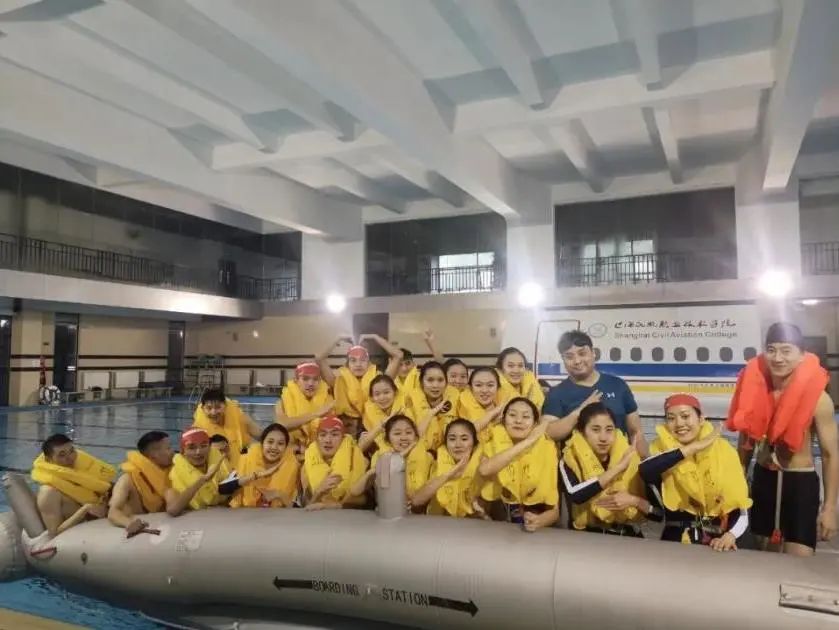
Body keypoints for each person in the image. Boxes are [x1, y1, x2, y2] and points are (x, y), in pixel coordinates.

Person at [727, 322, 838, 556]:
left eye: (786, 351)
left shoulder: (819, 400)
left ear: (802, 355)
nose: (778, 358)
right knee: (764, 559)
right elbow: (745, 447)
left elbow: (830, 456)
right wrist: (735, 488)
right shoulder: (754, 392)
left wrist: (829, 509)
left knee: (799, 560)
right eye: (771, 350)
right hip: (763, 480)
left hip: (799, 484)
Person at [640, 394, 751, 551]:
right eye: (671, 418)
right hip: (676, 540)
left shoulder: (725, 452)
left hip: (718, 542)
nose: (679, 423)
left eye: (685, 416)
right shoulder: (661, 452)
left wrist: (731, 535)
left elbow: (741, 507)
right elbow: (645, 470)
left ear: (701, 419)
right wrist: (693, 448)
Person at [543, 330, 648, 456]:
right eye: (569, 357)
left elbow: (635, 432)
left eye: (582, 353)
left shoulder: (618, 385)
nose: (577, 361)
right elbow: (549, 433)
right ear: (563, 359)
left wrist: (646, 462)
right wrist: (580, 411)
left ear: (593, 353)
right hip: (578, 466)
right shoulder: (556, 393)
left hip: (621, 463)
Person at [560, 403, 654, 537]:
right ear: (582, 432)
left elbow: (658, 514)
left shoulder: (633, 459)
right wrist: (619, 468)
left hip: (629, 537)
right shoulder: (570, 458)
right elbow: (576, 495)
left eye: (609, 430)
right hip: (588, 537)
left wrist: (633, 501)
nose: (603, 438)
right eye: (596, 430)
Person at [478, 398, 559, 531]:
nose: (518, 421)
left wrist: (539, 521)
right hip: (493, 524)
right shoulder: (491, 441)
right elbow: (484, 470)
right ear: (503, 420)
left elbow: (554, 512)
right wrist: (528, 442)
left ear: (535, 424)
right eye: (512, 415)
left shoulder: (547, 449)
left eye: (526, 417)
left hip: (531, 528)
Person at [317, 334, 401, 436]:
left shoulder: (379, 380)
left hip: (374, 427)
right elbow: (319, 358)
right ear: (347, 364)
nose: (358, 364)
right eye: (353, 360)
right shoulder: (338, 380)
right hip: (346, 429)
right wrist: (337, 338)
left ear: (369, 363)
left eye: (363, 360)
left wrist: (375, 337)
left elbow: (398, 356)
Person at [33, 434, 116, 537]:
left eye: (72, 451)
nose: (70, 458)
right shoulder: (48, 494)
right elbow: (54, 533)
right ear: (48, 459)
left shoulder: (77, 474)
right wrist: (85, 509)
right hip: (83, 531)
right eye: (62, 455)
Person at [350, 415, 434, 505]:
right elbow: (355, 491)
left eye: (409, 432)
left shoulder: (428, 457)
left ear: (415, 436)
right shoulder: (380, 456)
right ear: (388, 440)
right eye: (397, 433)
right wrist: (397, 459)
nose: (404, 437)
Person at [413, 419, 486, 518]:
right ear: (446, 443)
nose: (458, 445)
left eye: (464, 439)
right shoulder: (437, 465)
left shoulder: (483, 466)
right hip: (439, 525)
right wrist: (450, 474)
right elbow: (416, 501)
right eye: (452, 439)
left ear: (474, 443)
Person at [108, 431, 174, 536]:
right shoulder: (127, 480)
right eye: (168, 448)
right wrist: (130, 523)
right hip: (127, 529)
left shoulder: (171, 474)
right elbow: (113, 512)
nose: (173, 452)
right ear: (154, 455)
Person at [302, 416, 368, 510]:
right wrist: (318, 492)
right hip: (317, 517)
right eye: (323, 435)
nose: (328, 440)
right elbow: (306, 507)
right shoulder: (306, 467)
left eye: (334, 434)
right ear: (317, 439)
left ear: (343, 438)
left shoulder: (359, 460)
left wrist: (336, 505)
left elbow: (364, 500)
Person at [166, 428, 235, 516]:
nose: (198, 452)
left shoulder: (222, 466)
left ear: (209, 448)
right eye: (192, 448)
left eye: (203, 446)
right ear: (183, 452)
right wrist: (202, 480)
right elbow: (173, 510)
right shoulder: (174, 477)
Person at [231, 424, 300, 508]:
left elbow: (297, 509)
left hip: (278, 515)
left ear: (286, 447)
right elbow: (223, 490)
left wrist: (278, 494)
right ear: (262, 443)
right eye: (270, 442)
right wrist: (255, 476)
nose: (274, 447)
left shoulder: (292, 466)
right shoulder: (245, 461)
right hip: (244, 513)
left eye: (280, 444)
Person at [192, 388, 261, 468]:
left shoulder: (239, 418)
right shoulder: (198, 428)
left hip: (242, 467)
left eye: (218, 407)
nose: (213, 412)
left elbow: (261, 435)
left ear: (225, 406)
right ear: (203, 409)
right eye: (209, 408)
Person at [275, 362, 334, 452]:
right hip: (293, 452)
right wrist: (316, 414)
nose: (311, 383)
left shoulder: (328, 402)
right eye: (305, 379)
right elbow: (281, 424)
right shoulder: (282, 402)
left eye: (315, 379)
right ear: (296, 381)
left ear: (320, 381)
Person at [406, 361, 458, 450]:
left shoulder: (456, 398)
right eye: (430, 380)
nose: (435, 385)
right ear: (421, 383)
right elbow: (411, 439)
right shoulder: (411, 401)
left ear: (446, 383)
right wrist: (430, 414)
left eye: (440, 380)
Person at [360, 374, 414, 452]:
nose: (382, 397)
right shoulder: (367, 416)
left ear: (395, 392)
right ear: (372, 398)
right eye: (377, 394)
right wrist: (384, 423)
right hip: (383, 454)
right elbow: (360, 448)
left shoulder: (406, 407)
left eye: (386, 392)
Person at [456, 366, 505, 442]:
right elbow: (465, 433)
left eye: (490, 385)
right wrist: (493, 414)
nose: (484, 390)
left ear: (498, 387)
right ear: (470, 388)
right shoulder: (463, 402)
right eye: (478, 385)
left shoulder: (506, 408)